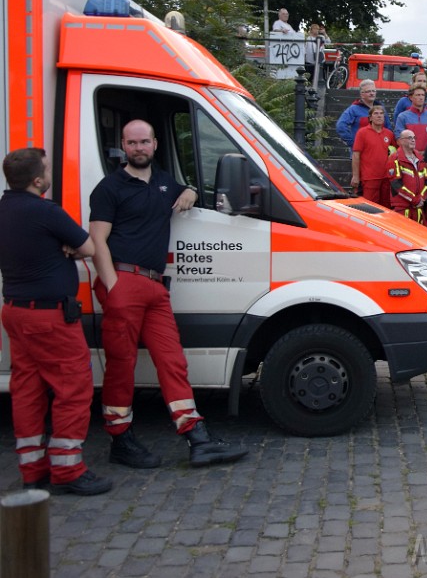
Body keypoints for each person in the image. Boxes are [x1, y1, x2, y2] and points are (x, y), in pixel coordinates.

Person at [89, 120, 248, 468]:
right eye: (132, 143)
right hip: (123, 280)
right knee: (121, 365)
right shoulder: (109, 188)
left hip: (155, 286)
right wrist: (112, 285)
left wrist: (189, 188)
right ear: (123, 146)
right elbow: (97, 239)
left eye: (144, 141)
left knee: (172, 361)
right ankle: (120, 439)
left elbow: (186, 190)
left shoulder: (163, 182)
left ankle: (196, 436)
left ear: (156, 143)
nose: (138, 148)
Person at [0, 148, 112, 496]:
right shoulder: (45, 211)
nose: (49, 174)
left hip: (15, 311)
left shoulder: (3, 209)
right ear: (37, 180)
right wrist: (72, 248)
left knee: (27, 390)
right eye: (47, 170)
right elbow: (91, 248)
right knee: (73, 387)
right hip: (49, 316)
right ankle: (67, 468)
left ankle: (33, 470)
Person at [351, 105, 396, 206]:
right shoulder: (362, 133)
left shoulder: (389, 134)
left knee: (386, 207)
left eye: (381, 114)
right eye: (376, 113)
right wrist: (355, 176)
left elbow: (396, 152)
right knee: (370, 208)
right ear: (370, 118)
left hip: (386, 177)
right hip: (369, 177)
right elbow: (356, 155)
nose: (379, 116)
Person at [386, 130, 427, 223]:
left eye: (414, 138)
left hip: (418, 208)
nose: (413, 140)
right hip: (402, 208)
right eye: (409, 138)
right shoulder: (394, 159)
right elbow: (396, 184)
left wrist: (422, 198)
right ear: (401, 141)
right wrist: (415, 200)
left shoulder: (420, 159)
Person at [336, 80, 390, 148]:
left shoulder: (381, 108)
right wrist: (353, 143)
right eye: (368, 91)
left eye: (373, 91)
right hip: (360, 153)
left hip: (379, 149)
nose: (372, 93)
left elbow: (388, 128)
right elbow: (341, 125)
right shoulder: (354, 109)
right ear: (362, 94)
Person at [394, 84, 427, 154]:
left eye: (422, 95)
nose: (421, 97)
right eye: (418, 95)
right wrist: (414, 153)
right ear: (411, 97)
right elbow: (399, 139)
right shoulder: (402, 117)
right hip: (409, 157)